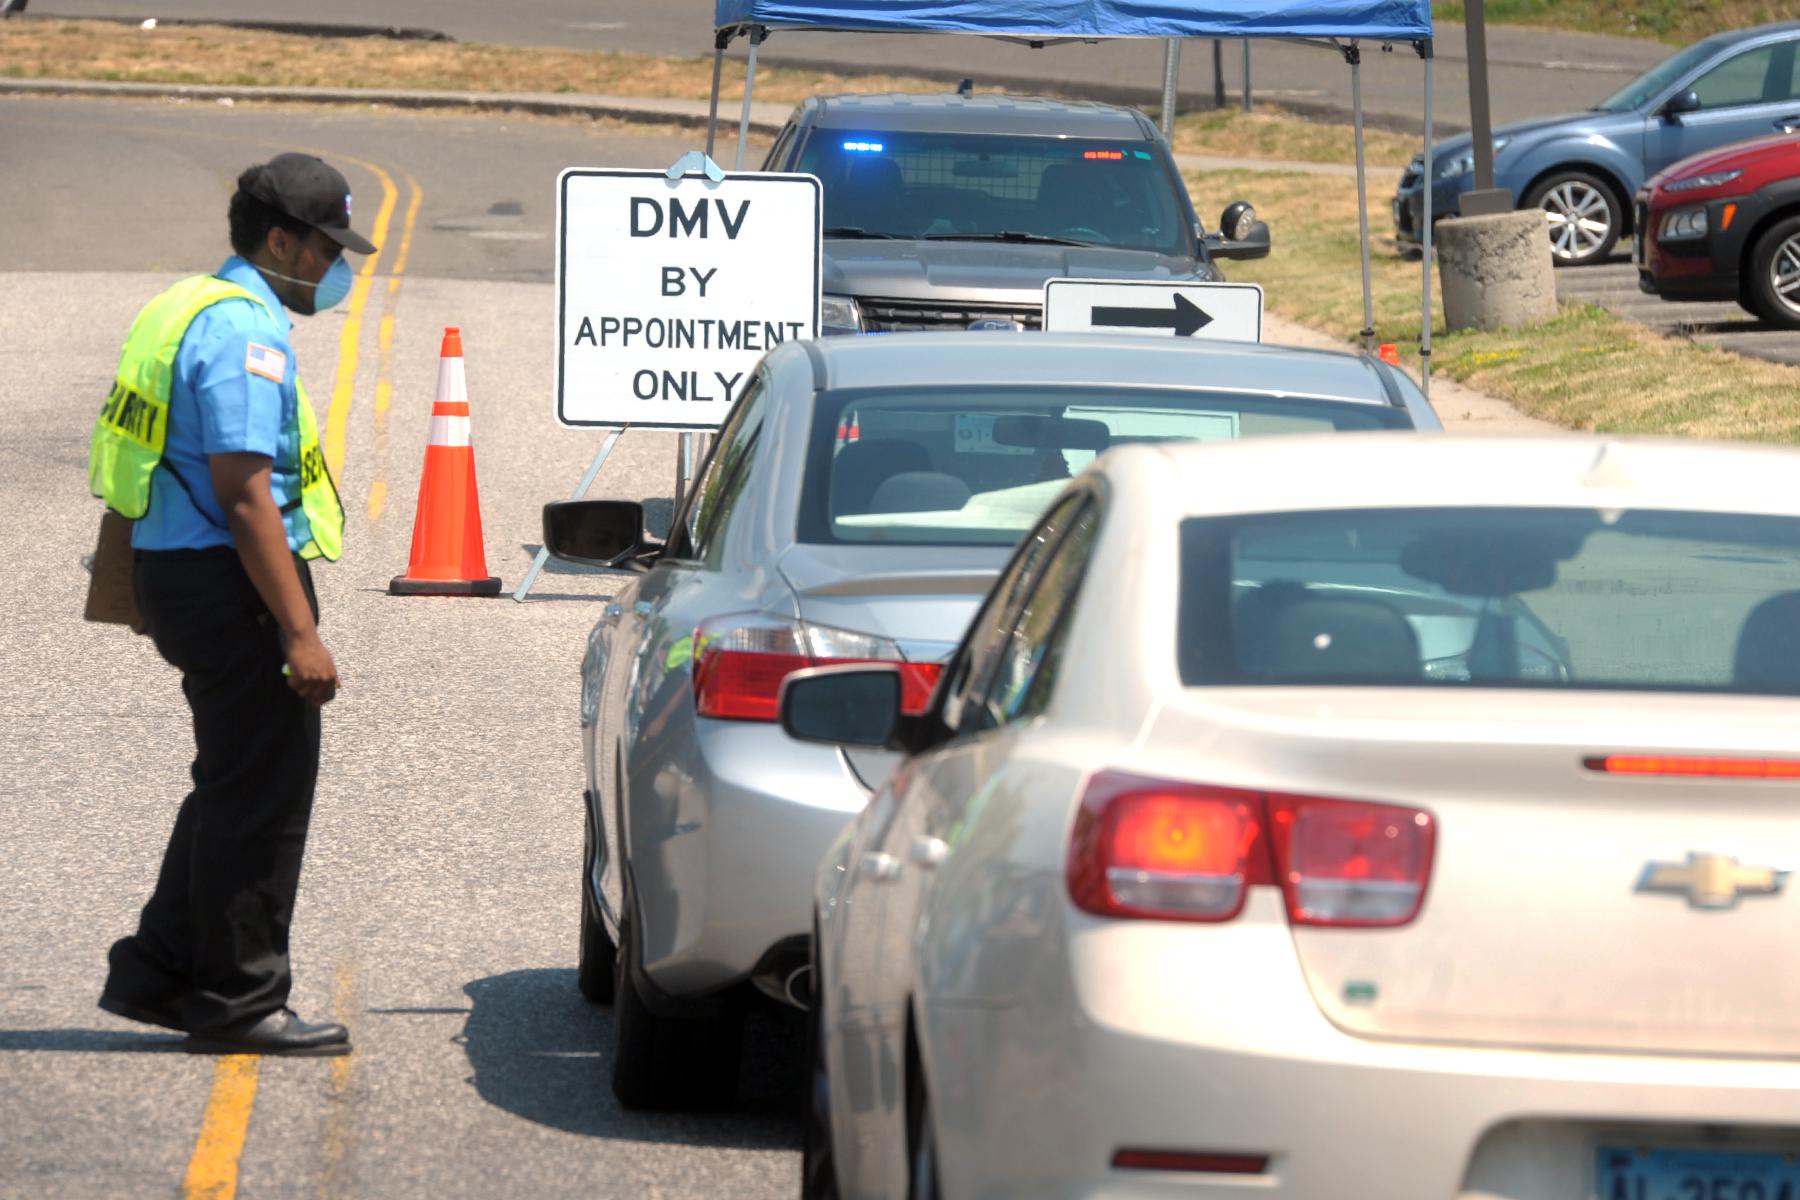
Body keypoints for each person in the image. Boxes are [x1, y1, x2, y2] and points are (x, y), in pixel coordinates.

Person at [88, 154, 374, 1055]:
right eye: (328, 249)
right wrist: (300, 632)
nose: (335, 269)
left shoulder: (186, 302)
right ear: (280, 239)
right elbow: (245, 489)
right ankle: (242, 1001)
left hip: (180, 569)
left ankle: (160, 972)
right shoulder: (247, 330)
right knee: (263, 796)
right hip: (232, 581)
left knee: (233, 781)